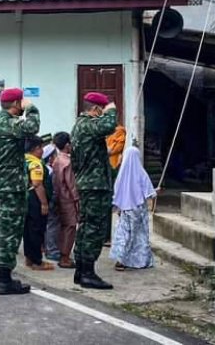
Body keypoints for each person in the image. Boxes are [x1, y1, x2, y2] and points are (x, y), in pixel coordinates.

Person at [0, 87, 40, 295]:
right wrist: (32, 108)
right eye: (21, 103)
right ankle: (5, 280)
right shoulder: (9, 123)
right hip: (11, 185)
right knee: (9, 231)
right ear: (16, 104)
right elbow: (32, 127)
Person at [70, 92, 118, 290]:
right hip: (94, 185)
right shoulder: (88, 125)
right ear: (96, 109)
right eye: (102, 110)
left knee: (86, 227)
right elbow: (108, 126)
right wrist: (112, 111)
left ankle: (81, 271)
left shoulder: (81, 126)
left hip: (88, 183)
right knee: (94, 229)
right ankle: (88, 273)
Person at [109, 146, 156, 270]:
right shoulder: (141, 173)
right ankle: (139, 261)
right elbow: (149, 192)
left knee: (124, 234)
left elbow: (117, 192)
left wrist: (118, 207)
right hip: (138, 210)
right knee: (139, 235)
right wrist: (156, 192)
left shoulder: (121, 175)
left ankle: (120, 260)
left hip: (125, 209)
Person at [23, 136, 54, 271]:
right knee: (37, 230)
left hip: (25, 198)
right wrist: (44, 204)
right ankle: (37, 261)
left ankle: (29, 258)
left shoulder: (23, 159)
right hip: (35, 199)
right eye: (41, 147)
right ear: (36, 149)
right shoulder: (36, 163)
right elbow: (37, 184)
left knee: (28, 230)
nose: (42, 150)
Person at [51, 132, 78, 269]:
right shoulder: (67, 162)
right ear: (67, 145)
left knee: (63, 227)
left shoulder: (56, 160)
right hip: (67, 199)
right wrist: (77, 199)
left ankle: (63, 254)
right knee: (70, 227)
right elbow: (71, 184)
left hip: (58, 197)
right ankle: (65, 256)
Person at [105, 124, 127, 247]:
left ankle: (107, 237)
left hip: (113, 167)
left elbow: (116, 149)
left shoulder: (119, 132)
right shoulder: (105, 133)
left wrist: (108, 149)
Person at [43, 142, 60, 261]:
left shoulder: (46, 169)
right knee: (52, 225)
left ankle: (48, 247)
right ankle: (52, 250)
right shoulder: (50, 171)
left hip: (48, 201)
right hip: (51, 201)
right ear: (50, 158)